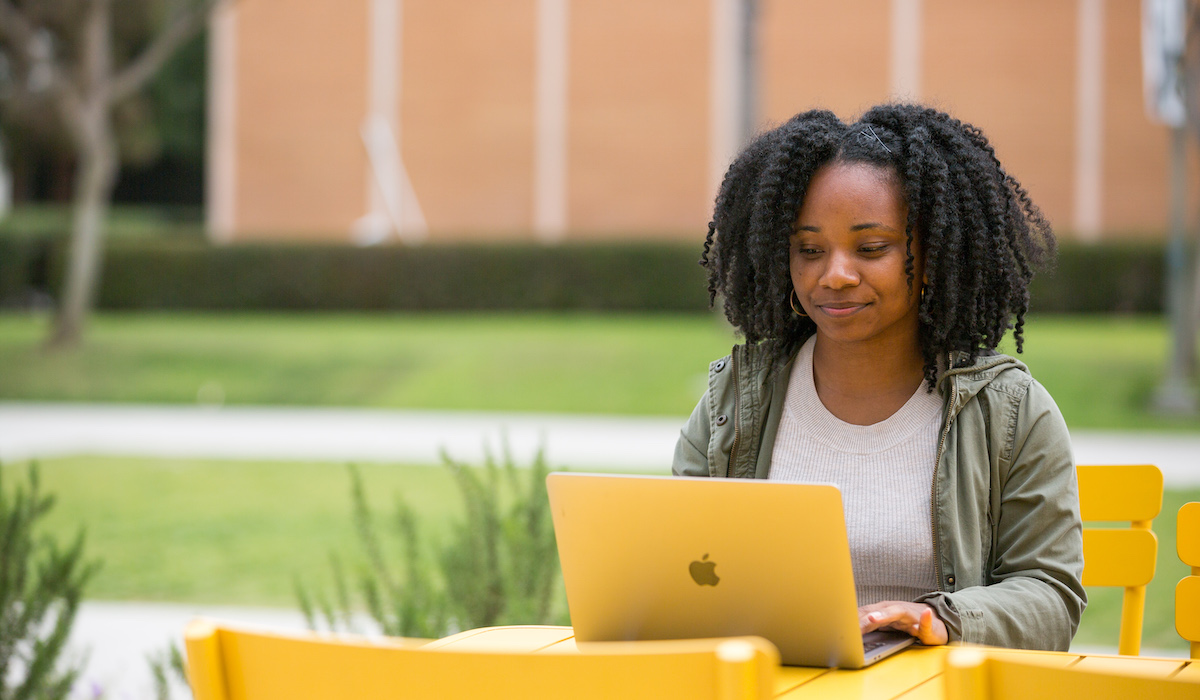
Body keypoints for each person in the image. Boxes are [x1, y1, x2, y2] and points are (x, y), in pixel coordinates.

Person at [672, 104, 1086, 651]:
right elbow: (677, 566)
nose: (835, 274)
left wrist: (945, 619)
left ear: (932, 255)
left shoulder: (1008, 412)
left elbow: (1051, 594)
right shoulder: (735, 399)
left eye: (871, 248)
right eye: (809, 249)